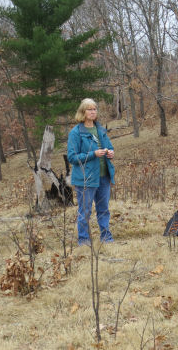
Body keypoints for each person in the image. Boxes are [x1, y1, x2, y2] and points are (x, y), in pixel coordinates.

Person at [67, 98, 115, 246]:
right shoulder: (76, 133)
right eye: (89, 109)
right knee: (85, 212)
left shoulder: (100, 129)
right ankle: (84, 240)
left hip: (103, 176)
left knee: (104, 209)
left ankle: (106, 238)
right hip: (85, 179)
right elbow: (72, 157)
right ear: (83, 112)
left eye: (94, 109)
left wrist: (110, 152)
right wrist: (93, 154)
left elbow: (109, 146)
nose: (93, 112)